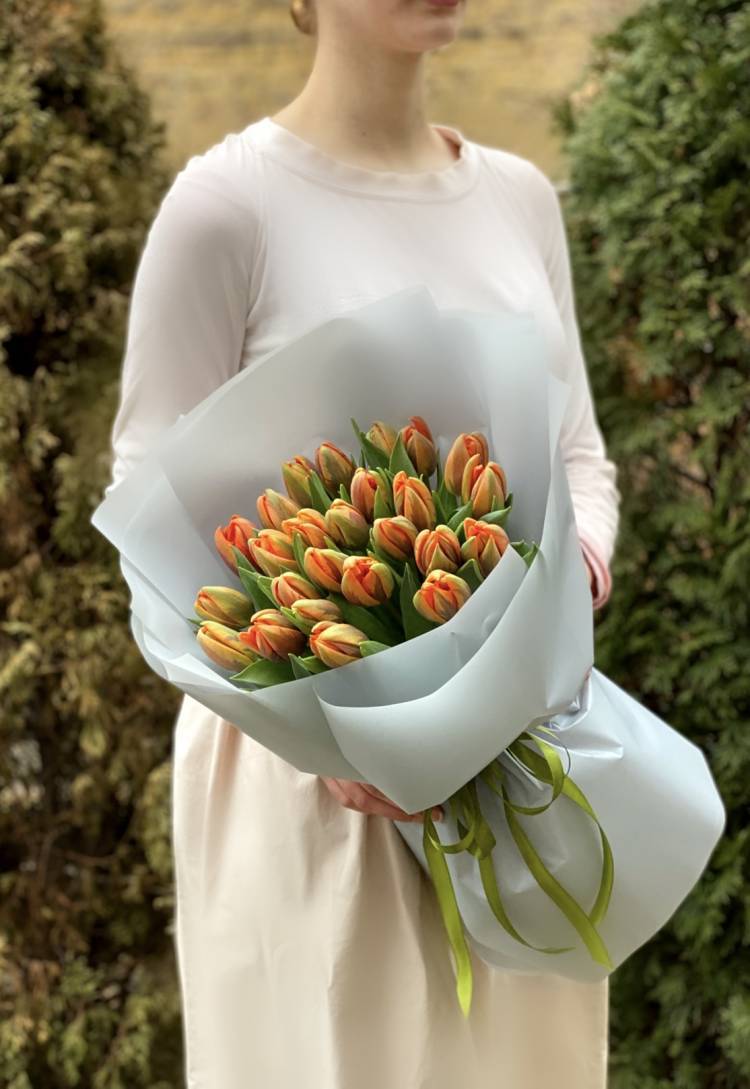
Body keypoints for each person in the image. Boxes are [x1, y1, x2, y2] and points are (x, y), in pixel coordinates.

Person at [103, 0, 620, 1084]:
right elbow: (148, 509)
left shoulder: (520, 200)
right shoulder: (226, 209)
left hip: (519, 751)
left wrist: (547, 610)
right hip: (306, 777)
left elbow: (580, 455)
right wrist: (329, 742)